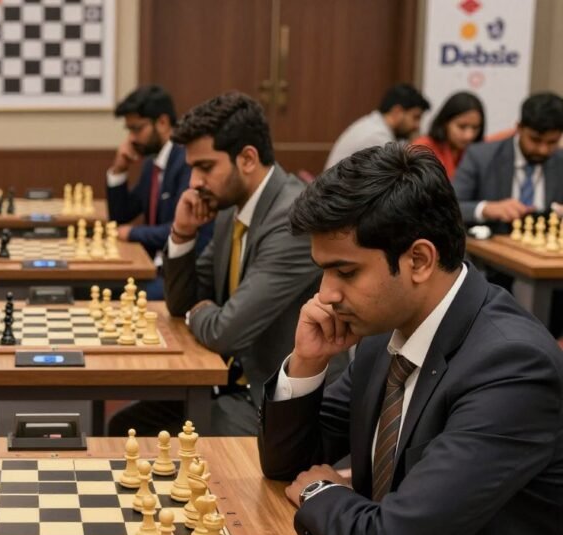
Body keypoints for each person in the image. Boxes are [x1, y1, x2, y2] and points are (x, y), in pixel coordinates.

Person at [258, 143, 563, 535]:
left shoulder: (511, 367)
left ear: (418, 260)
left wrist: (320, 491)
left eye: (346, 272)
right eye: (323, 271)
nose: (325, 294)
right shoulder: (387, 328)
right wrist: (307, 362)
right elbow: (287, 466)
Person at [109, 93, 322, 436]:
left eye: (205, 167)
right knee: (125, 426)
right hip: (228, 383)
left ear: (248, 159)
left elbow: (225, 333)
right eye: (192, 167)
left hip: (273, 401)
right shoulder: (230, 207)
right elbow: (181, 301)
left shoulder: (291, 220)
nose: (194, 182)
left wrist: (199, 311)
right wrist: (182, 233)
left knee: (149, 440)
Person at [106, 85, 202, 299]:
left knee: (107, 293)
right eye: (129, 130)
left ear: (163, 122)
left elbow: (181, 227)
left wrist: (133, 233)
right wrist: (119, 171)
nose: (131, 138)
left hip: (176, 275)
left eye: (137, 129)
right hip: (152, 266)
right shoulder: (153, 163)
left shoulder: (186, 161)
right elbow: (121, 216)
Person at [453, 91, 563, 226]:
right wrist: (485, 209)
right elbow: (449, 208)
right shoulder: (481, 157)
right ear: (519, 128)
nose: (543, 150)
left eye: (552, 142)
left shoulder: (560, 161)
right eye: (535, 140)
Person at [325, 83, 430, 169]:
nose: (417, 125)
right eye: (415, 117)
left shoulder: (373, 126)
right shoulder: (376, 137)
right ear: (397, 112)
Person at [411, 91, 485, 180]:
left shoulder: (477, 153)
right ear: (445, 122)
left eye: (475, 128)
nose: (469, 135)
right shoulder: (422, 148)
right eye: (462, 127)